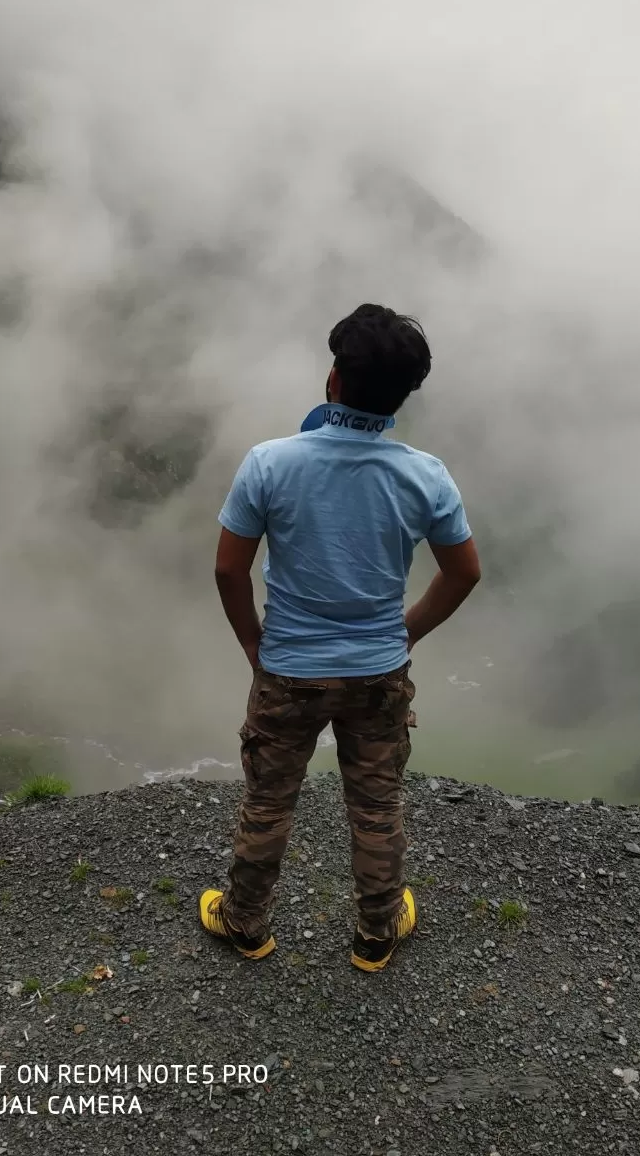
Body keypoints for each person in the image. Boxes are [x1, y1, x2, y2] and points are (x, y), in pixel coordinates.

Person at [199, 303, 481, 971]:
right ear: (403, 398)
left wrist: (253, 645)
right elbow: (464, 573)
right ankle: (376, 935)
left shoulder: (269, 463)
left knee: (269, 799)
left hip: (288, 668)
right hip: (378, 671)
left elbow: (228, 568)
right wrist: (403, 632)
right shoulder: (424, 475)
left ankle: (246, 924)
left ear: (332, 381)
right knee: (377, 802)